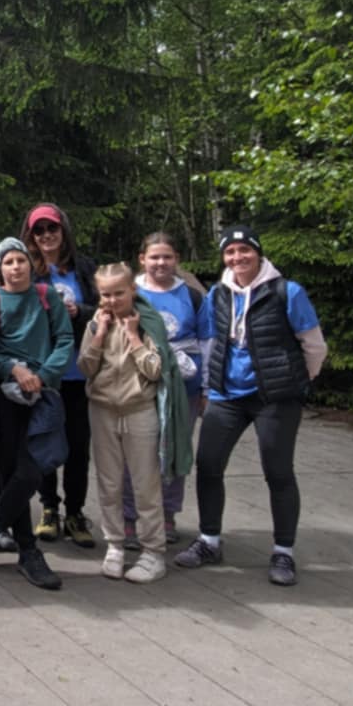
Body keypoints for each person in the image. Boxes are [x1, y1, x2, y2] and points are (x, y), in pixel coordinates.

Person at [175, 226, 327, 586]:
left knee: (278, 472)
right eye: (230, 252)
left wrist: (295, 381)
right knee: (209, 465)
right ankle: (209, 540)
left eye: (244, 250)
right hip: (227, 395)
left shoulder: (286, 292)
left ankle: (283, 552)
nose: (237, 257)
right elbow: (210, 340)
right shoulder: (218, 293)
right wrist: (210, 385)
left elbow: (314, 345)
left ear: (258, 253)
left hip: (274, 397)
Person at [0, 238, 74, 590]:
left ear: (30, 264)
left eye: (20, 260)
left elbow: (64, 340)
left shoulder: (46, 297)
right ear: (0, 268)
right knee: (9, 471)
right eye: (8, 262)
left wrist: (43, 375)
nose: (15, 267)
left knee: (35, 466)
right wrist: (14, 369)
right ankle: (28, 551)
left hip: (43, 394)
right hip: (3, 396)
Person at [79, 263, 192, 585]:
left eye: (119, 293)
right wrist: (100, 335)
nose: (112, 300)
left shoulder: (148, 323)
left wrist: (133, 336)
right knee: (109, 483)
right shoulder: (95, 324)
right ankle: (115, 545)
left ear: (133, 290)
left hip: (139, 410)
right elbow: (86, 367)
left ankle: (153, 551)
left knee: (146, 485)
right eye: (106, 294)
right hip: (102, 410)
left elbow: (156, 370)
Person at [23, 202, 98, 550]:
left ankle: (76, 512)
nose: (46, 235)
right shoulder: (27, 269)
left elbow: (106, 308)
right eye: (39, 230)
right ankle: (49, 508)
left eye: (52, 228)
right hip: (44, 374)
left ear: (63, 230)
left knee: (78, 447)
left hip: (79, 372)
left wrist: (78, 311)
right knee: (44, 442)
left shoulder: (83, 269)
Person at [131, 233, 208, 544]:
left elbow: (208, 341)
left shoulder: (192, 296)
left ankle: (167, 514)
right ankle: (130, 516)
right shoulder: (131, 292)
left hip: (184, 386)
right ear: (142, 259)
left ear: (177, 259)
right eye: (154, 257)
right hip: (140, 383)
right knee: (135, 452)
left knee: (175, 449)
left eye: (167, 257)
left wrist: (206, 388)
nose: (160, 263)